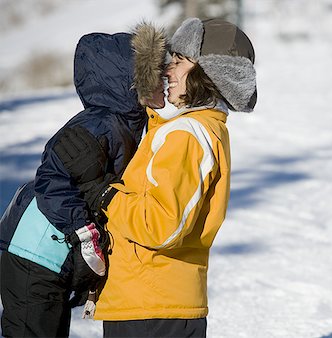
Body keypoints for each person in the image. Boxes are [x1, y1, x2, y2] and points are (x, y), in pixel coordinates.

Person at [56, 17, 257, 337]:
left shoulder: (187, 134)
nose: (168, 70)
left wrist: (103, 192)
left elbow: (160, 226)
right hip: (155, 303)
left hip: (154, 308)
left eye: (179, 61)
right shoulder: (193, 129)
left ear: (208, 73)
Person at [0, 23, 167, 337]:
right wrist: (85, 234)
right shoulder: (99, 123)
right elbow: (51, 178)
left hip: (53, 257)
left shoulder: (127, 122)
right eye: (156, 72)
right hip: (33, 252)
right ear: (133, 83)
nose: (166, 78)